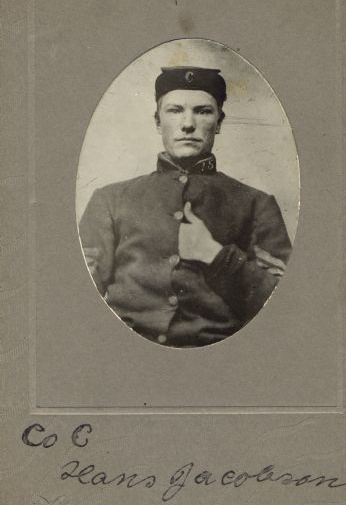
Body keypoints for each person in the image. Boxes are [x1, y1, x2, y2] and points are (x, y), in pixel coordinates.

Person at [79, 66, 292, 347]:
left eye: (203, 111)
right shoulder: (110, 200)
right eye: (175, 110)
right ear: (157, 122)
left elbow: (283, 308)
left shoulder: (256, 204)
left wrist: (216, 256)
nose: (188, 123)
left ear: (219, 122)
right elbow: (78, 301)